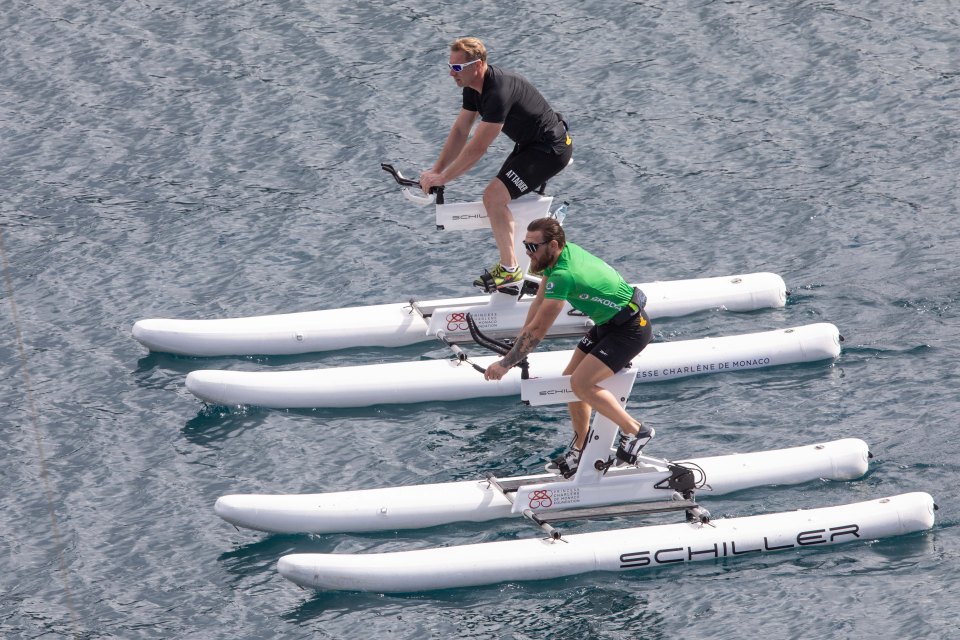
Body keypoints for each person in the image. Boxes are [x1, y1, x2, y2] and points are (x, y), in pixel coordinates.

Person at [483, 217, 654, 477]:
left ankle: (636, 430)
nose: (528, 253)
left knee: (581, 385)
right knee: (569, 380)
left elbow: (540, 329)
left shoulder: (563, 275)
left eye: (533, 247)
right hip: (608, 324)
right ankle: (583, 446)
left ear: (552, 244)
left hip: (630, 330)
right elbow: (537, 306)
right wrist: (514, 349)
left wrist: (506, 364)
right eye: (525, 245)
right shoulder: (557, 256)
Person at [419, 37, 573, 291]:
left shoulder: (498, 92)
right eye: (450, 65)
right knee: (498, 198)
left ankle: (510, 269)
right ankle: (521, 266)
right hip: (529, 146)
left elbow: (478, 148)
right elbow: (460, 131)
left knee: (493, 196)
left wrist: (444, 178)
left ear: (477, 65)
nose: (450, 73)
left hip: (550, 149)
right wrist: (436, 170)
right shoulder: (472, 88)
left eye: (457, 68)